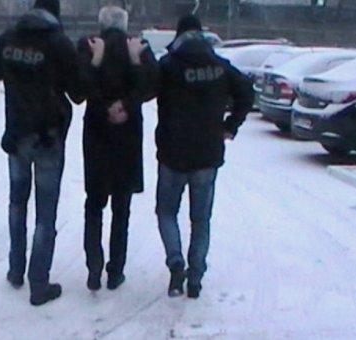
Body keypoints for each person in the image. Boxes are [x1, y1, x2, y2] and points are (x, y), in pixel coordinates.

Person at [0, 0, 87, 306]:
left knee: (17, 204)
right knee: (45, 213)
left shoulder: (8, 39)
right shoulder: (58, 43)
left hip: (16, 136)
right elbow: (79, 94)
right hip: (48, 137)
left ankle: (15, 269)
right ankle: (39, 283)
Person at [155, 15, 254, 298]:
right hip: (208, 154)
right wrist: (230, 126)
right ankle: (195, 277)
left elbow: (147, 89)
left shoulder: (169, 66)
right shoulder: (219, 66)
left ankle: (176, 263)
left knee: (166, 212)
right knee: (201, 220)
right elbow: (247, 93)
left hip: (173, 154)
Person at [76, 6, 158, 291]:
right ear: (125, 25)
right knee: (121, 208)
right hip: (128, 135)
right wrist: (126, 105)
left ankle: (93, 267)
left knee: (94, 204)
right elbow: (152, 86)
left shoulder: (89, 46)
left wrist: (103, 103)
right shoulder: (137, 47)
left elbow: (79, 88)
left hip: (97, 132)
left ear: (100, 25)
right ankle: (115, 270)